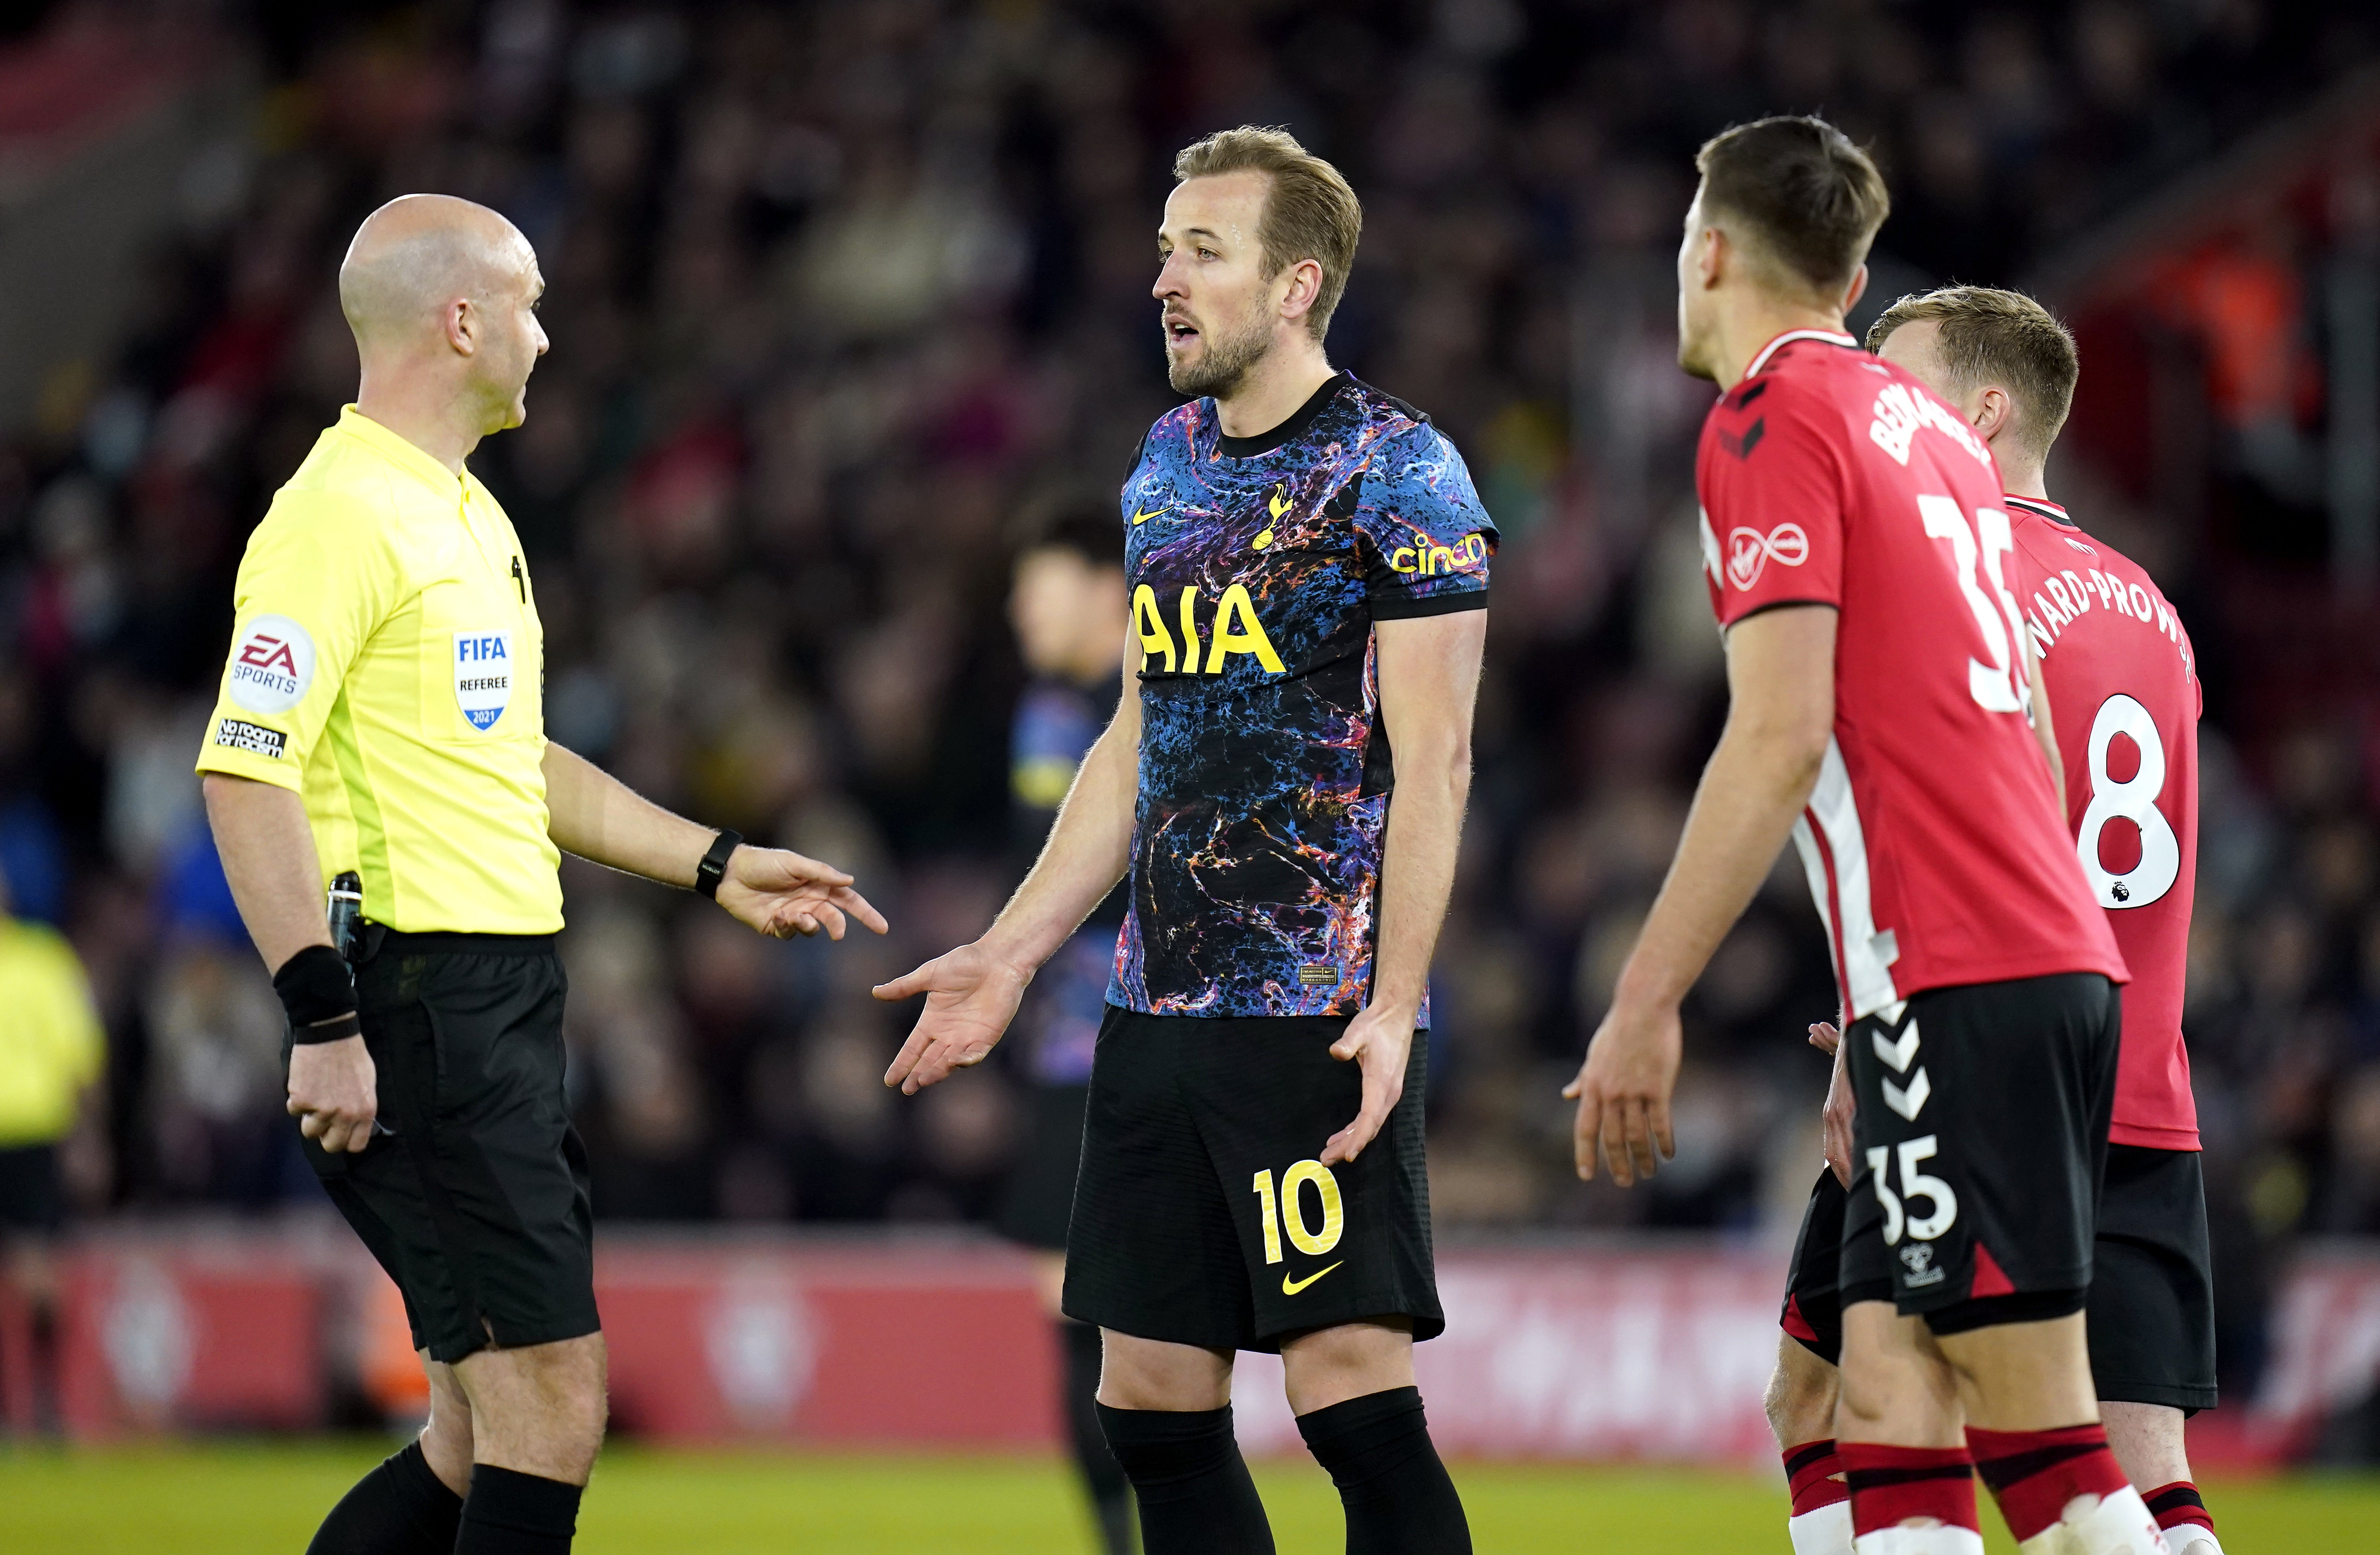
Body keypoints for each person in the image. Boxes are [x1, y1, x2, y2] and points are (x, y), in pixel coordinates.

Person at [195, 193, 886, 1555]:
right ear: (460, 321)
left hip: (497, 1001)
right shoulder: (332, 517)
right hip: (415, 1001)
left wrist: (716, 862)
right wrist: (324, 1017)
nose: (547, 336)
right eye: (526, 305)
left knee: (471, 1434)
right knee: (551, 1412)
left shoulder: (467, 516)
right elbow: (243, 766)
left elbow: (516, 759)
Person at [875, 126, 1491, 1555]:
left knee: (1352, 1408)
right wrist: (1013, 955)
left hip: (1306, 1021)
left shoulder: (1400, 471)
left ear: (1296, 284)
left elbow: (1439, 757)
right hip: (1149, 1016)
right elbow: (1135, 740)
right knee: (1148, 1404)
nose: (1165, 276)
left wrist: (1396, 1007)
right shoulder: (1166, 464)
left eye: (1202, 250)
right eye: (1164, 247)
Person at [1564, 117, 2166, 1555]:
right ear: (1851, 280)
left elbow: (1777, 737)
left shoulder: (1770, 424)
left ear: (1709, 251)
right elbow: (2022, 724)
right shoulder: (1939, 439)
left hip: (1962, 965)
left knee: (2044, 1443)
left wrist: (1646, 1000)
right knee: (1881, 1389)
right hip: (2013, 959)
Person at [1762, 288, 2220, 1555]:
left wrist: (1871, 1028)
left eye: (1897, 390)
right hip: (2141, 1079)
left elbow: (1943, 818)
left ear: (1985, 408)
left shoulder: (1939, 574)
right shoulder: (2154, 612)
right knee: (2142, 1467)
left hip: (1969, 1049)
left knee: (1846, 1404)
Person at [996, 505, 1136, 1554]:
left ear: (1106, 588)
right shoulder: (1046, 713)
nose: (1017, 608)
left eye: (1037, 584)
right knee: (1071, 1317)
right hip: (1065, 1055)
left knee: (1158, 1324)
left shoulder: (1167, 696)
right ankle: (1114, 1534)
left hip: (1162, 1038)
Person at [0, 857, 107, 1437]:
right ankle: (35, 1407)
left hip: (33, 1130)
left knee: (38, 1273)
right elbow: (81, 1052)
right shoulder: (44, 960)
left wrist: (86, 1136)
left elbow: (78, 1055)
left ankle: (42, 1404)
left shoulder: (42, 961)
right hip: (33, 1129)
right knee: (35, 1272)